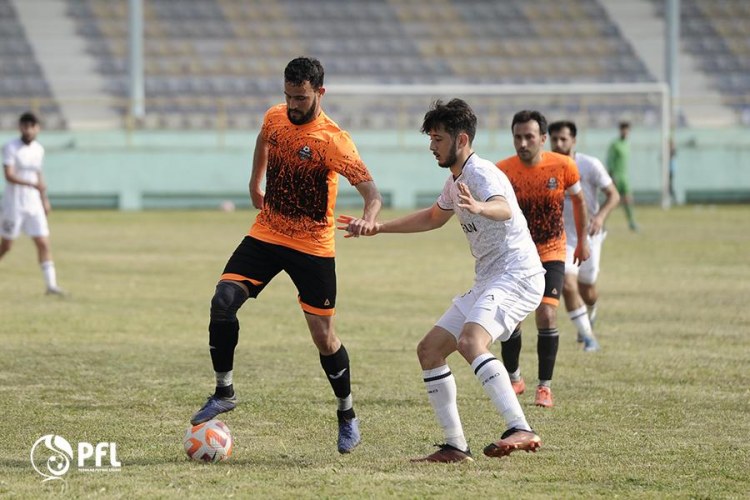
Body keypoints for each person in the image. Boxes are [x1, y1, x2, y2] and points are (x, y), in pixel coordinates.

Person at [189, 57, 382, 455]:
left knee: (324, 337)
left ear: (319, 93)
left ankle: (347, 414)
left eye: (301, 97)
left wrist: (368, 219)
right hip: (268, 232)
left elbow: (371, 192)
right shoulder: (275, 117)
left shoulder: (333, 140)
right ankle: (224, 391)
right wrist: (254, 179)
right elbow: (264, 138)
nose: (293, 105)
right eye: (288, 96)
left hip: (312, 246)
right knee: (222, 302)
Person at [338, 99, 544, 463]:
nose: (431, 146)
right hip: (489, 280)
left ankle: (520, 426)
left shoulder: (481, 174)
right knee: (430, 350)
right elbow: (433, 217)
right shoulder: (455, 181)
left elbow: (504, 207)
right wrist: (378, 227)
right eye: (430, 139)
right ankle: (455, 446)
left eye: (437, 138)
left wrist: (481, 208)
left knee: (470, 341)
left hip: (518, 275)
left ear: (461, 139)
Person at [496, 110, 589, 408]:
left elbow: (578, 200)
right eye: (517, 137)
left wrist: (583, 240)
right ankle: (514, 377)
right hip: (516, 255)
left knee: (547, 314)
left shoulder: (563, 166)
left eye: (529, 137)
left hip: (552, 250)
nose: (522, 143)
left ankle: (544, 387)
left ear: (543, 139)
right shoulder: (503, 171)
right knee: (511, 322)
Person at [549, 120, 620, 351]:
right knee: (567, 284)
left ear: (574, 141)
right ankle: (588, 337)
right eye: (555, 139)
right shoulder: (546, 166)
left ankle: (591, 311)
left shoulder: (590, 165)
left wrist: (599, 218)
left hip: (588, 235)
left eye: (563, 139)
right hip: (561, 238)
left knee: (587, 289)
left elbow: (613, 195)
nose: (559, 144)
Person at [1, 111, 65, 296]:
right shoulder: (11, 147)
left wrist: (44, 199)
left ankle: (51, 285)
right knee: (6, 246)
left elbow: (38, 175)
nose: (28, 130)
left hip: (34, 203)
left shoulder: (38, 149)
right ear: (20, 127)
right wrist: (31, 184)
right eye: (25, 126)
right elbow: (9, 175)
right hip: (14, 204)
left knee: (43, 242)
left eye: (32, 126)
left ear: (38, 128)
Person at [607, 121, 639, 231]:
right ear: (620, 130)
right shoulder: (615, 144)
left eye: (627, 129)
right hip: (616, 176)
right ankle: (601, 221)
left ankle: (631, 222)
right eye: (623, 129)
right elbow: (610, 160)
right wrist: (611, 176)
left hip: (624, 177)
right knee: (611, 200)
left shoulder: (627, 143)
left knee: (628, 200)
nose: (625, 131)